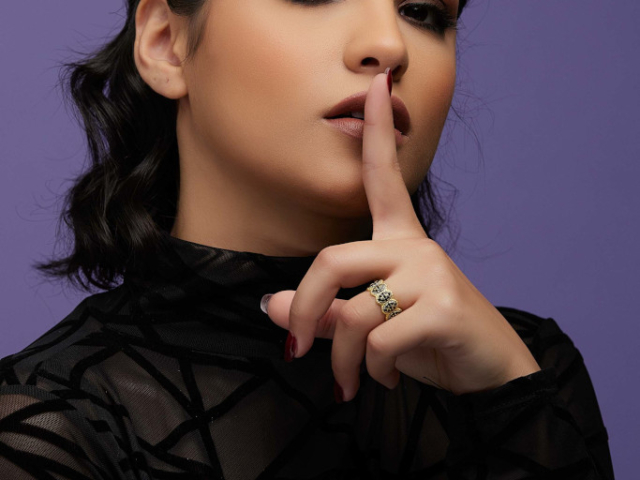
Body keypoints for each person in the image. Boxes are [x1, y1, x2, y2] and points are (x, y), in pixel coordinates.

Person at [0, 0, 615, 478]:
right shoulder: (42, 422)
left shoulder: (527, 371)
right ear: (167, 44)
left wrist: (511, 397)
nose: (389, 45)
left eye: (423, 12)